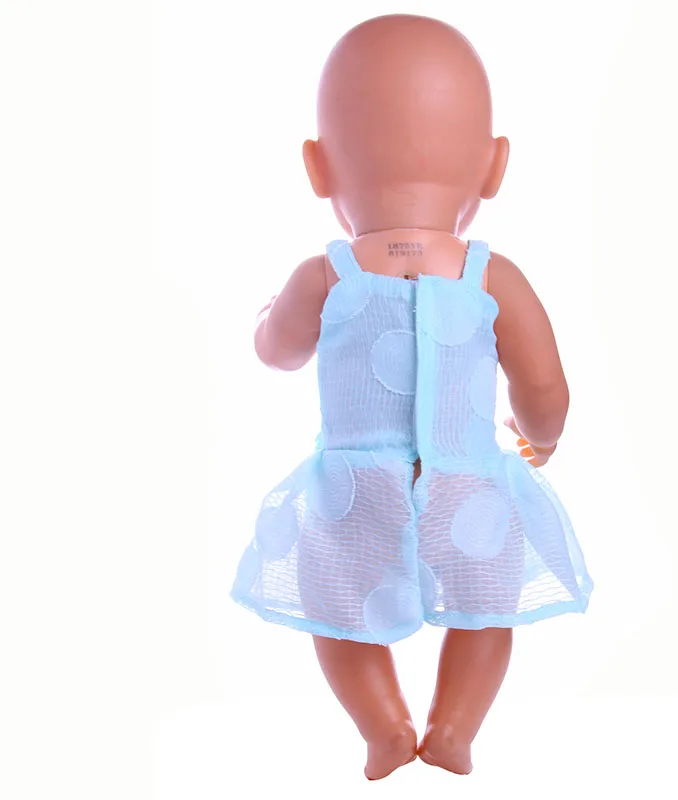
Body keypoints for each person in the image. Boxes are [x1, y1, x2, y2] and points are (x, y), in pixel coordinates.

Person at [231, 13, 593, 780]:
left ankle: (385, 727)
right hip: (468, 485)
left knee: (337, 613)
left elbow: (276, 352)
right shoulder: (492, 277)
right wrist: (543, 437)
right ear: (493, 168)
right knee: (486, 611)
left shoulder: (325, 276)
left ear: (318, 167)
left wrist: (267, 318)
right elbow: (545, 387)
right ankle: (453, 727)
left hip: (353, 492)